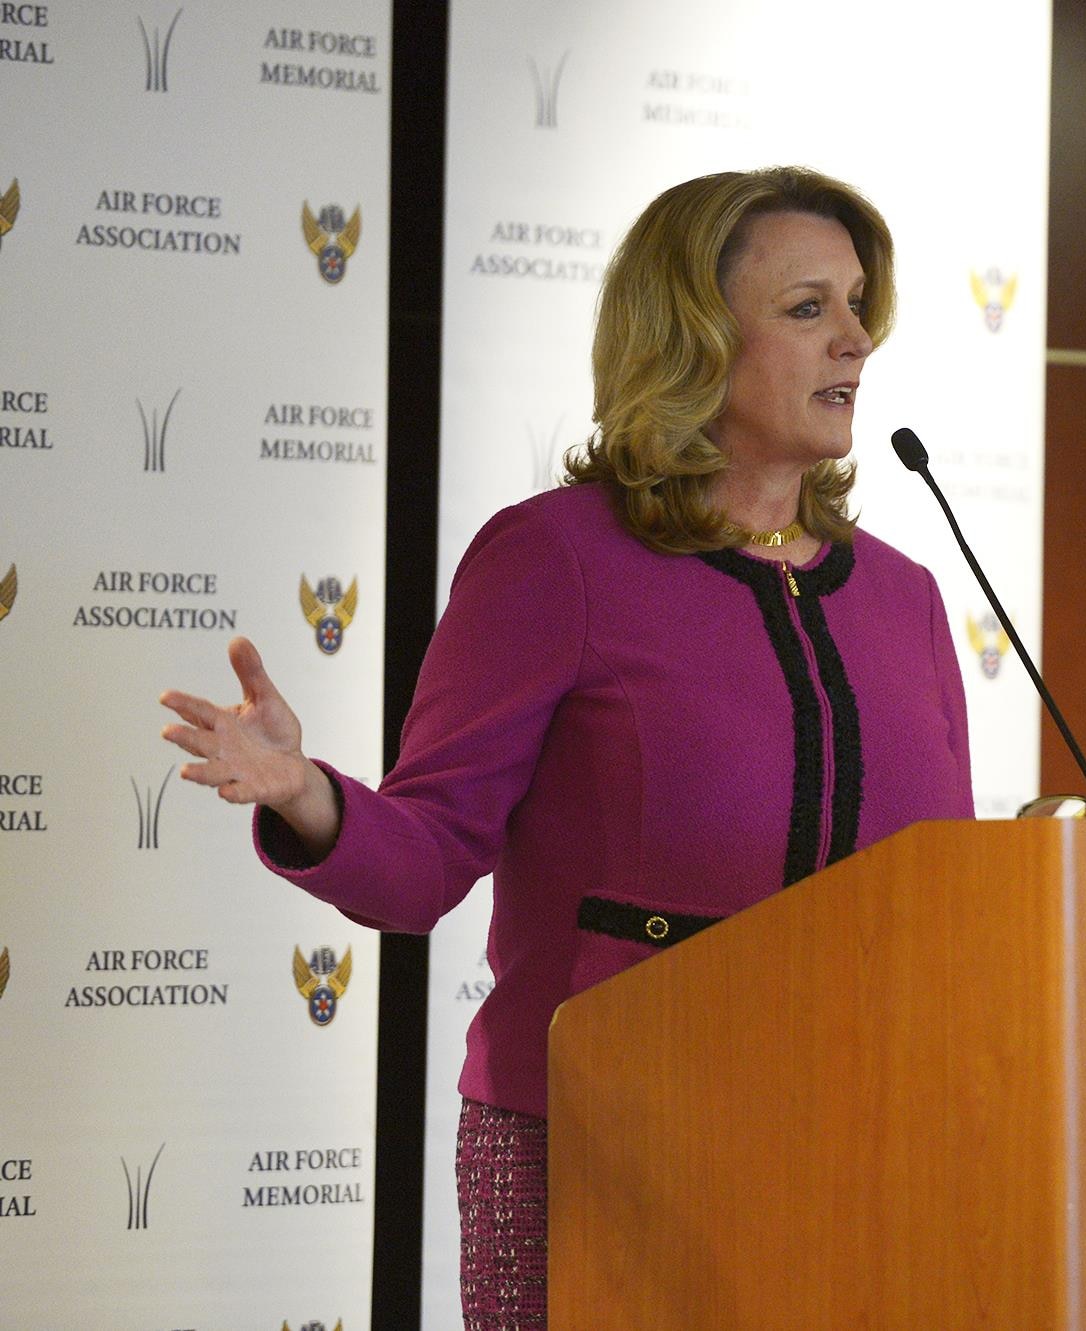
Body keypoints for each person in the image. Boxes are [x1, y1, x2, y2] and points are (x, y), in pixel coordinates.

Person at [158, 167, 975, 1331]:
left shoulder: (904, 597)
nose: (854, 339)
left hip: (869, 1150)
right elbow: (426, 858)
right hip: (604, 1146)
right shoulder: (557, 560)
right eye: (808, 309)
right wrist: (309, 796)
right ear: (694, 333)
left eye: (856, 307)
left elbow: (943, 895)